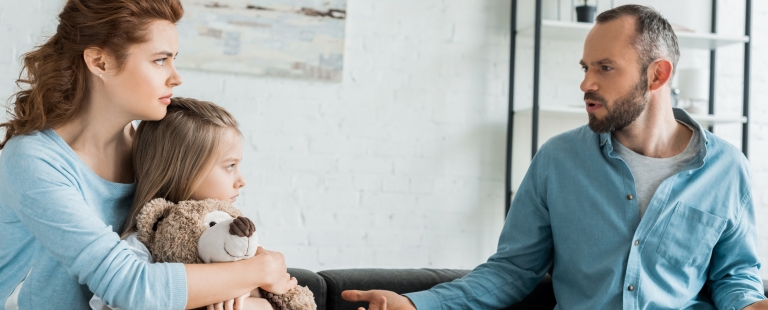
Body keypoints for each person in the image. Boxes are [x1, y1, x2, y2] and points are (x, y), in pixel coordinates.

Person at [342, 5, 768, 310]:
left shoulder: (727, 169)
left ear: (657, 75)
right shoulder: (558, 160)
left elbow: (735, 277)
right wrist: (418, 305)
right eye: (584, 67)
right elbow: (511, 271)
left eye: (605, 67)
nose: (585, 83)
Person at [0, 1, 296, 309]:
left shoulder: (152, 148)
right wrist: (262, 269)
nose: (176, 77)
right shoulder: (33, 160)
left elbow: (198, 233)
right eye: (159, 61)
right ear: (100, 62)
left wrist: (243, 279)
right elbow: (132, 287)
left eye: (173, 60)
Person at [89, 98, 276, 310]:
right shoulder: (142, 248)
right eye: (230, 166)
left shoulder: (233, 237)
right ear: (187, 174)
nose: (241, 180)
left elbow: (275, 301)